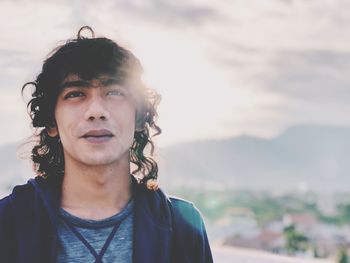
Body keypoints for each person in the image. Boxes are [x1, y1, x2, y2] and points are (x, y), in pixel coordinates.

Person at [0, 26, 213, 263]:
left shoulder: (183, 228)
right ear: (51, 122)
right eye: (75, 94)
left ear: (140, 117)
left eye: (114, 92)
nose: (96, 111)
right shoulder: (8, 224)